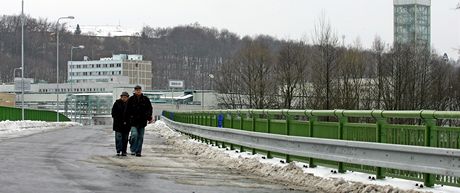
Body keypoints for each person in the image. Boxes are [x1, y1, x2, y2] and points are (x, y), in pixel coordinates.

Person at [126, 85, 153, 157]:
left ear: (141, 90)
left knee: (140, 137)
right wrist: (127, 119)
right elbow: (127, 110)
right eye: (136, 90)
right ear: (134, 91)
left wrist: (149, 117)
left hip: (142, 121)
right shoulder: (131, 100)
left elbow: (149, 109)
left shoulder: (145, 99)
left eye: (139, 90)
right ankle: (133, 149)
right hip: (133, 121)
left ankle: (138, 151)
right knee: (134, 135)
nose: (138, 91)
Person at [111, 91, 130, 156]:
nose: (124, 98)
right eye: (123, 97)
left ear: (127, 98)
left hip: (126, 125)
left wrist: (128, 121)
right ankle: (118, 150)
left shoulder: (129, 104)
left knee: (125, 139)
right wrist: (118, 119)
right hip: (118, 125)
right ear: (121, 97)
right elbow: (113, 113)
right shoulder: (117, 103)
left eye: (125, 97)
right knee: (118, 138)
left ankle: (124, 151)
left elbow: (131, 114)